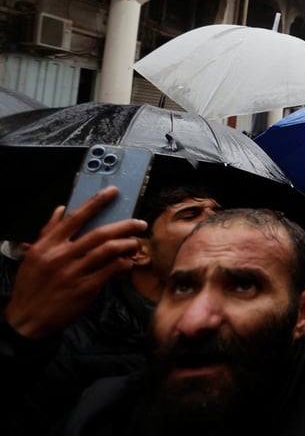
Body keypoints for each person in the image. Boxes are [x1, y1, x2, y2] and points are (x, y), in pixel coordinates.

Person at [62, 208, 305, 436]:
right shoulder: (104, 412)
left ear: (303, 313)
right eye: (183, 286)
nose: (195, 320)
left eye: (242, 286)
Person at [0, 182, 221, 432]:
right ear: (138, 251)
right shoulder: (69, 341)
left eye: (217, 212)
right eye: (190, 215)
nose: (214, 221)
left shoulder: (225, 329)